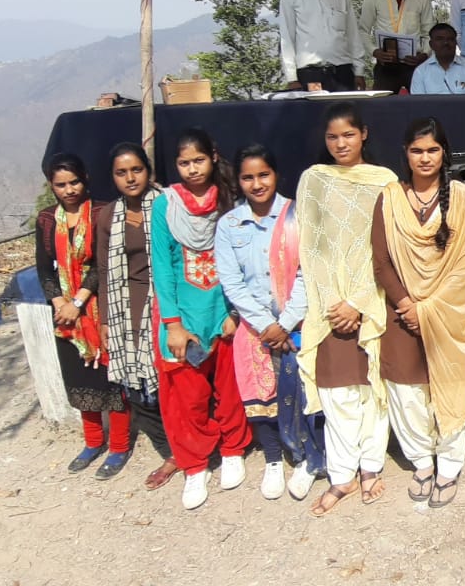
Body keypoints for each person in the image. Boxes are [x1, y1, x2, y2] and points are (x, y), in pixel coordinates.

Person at [371, 118, 465, 509]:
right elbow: (381, 260)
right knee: (407, 392)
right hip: (402, 313)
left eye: (432, 150)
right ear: (405, 153)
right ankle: (421, 463)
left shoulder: (463, 199)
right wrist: (407, 305)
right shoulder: (389, 198)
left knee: (450, 387)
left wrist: (429, 309)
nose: (424, 158)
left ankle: (449, 466)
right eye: (417, 150)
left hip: (450, 314)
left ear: (444, 153)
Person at [296, 104, 398, 517]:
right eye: (333, 137)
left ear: (364, 134)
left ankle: (370, 467)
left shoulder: (385, 182)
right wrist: (335, 302)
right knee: (336, 391)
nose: (340, 144)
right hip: (328, 305)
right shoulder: (313, 180)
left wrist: (358, 301)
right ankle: (342, 475)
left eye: (348, 135)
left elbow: (387, 247)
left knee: (373, 388)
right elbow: (310, 247)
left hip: (372, 301)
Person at [215, 145, 325, 501]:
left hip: (298, 322)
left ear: (276, 175)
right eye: (248, 177)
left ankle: (309, 459)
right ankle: (274, 459)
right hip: (254, 327)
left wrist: (286, 321)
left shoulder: (297, 215)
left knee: (304, 392)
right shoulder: (229, 225)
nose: (257, 183)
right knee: (261, 397)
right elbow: (232, 282)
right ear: (238, 181)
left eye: (264, 175)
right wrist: (266, 324)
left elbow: (308, 271)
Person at [150, 129, 250, 510]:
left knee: (230, 385)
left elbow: (239, 259)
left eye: (199, 160)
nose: (192, 169)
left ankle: (233, 448)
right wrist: (173, 325)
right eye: (184, 163)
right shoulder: (166, 205)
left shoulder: (229, 198)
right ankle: (194, 464)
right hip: (182, 314)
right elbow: (162, 266)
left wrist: (232, 312)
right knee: (187, 397)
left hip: (222, 308)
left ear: (213, 157)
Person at [37, 153, 130, 480]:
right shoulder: (47, 220)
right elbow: (44, 268)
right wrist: (60, 302)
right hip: (66, 317)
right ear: (52, 186)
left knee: (111, 379)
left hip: (100, 308)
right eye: (61, 185)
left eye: (74, 182)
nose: (69, 190)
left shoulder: (104, 212)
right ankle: (92, 442)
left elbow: (103, 264)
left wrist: (78, 301)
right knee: (79, 380)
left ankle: (119, 446)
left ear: (85, 179)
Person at [96, 143, 179, 489]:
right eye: (121, 172)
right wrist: (104, 319)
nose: (130, 178)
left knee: (171, 382)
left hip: (164, 305)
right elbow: (103, 269)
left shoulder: (167, 205)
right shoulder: (108, 215)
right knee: (135, 387)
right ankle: (170, 451)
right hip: (123, 309)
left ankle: (189, 445)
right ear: (113, 177)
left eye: (136, 170)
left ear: (148, 171)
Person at [280, 0, 365, 91]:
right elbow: (287, 39)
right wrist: (292, 78)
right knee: (316, 107)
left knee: (346, 107)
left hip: (342, 72)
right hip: (311, 74)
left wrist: (359, 72)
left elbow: (353, 35)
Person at [359, 0, 434, 93]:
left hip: (413, 64)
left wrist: (424, 55)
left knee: (420, 103)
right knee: (383, 105)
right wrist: (375, 52)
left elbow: (429, 33)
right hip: (386, 64)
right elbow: (363, 30)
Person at [409, 23, 465, 95]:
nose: (446, 43)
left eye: (450, 39)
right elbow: (418, 103)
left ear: (456, 43)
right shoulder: (420, 72)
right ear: (431, 44)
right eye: (440, 39)